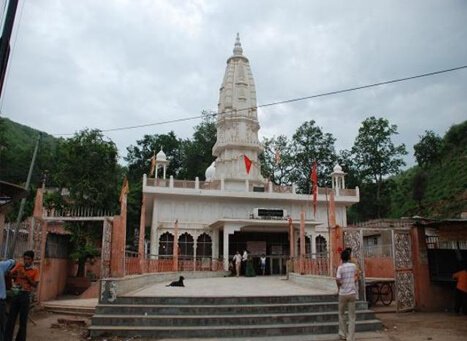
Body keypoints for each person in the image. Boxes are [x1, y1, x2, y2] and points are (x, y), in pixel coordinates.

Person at [5, 250, 40, 341]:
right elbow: (10, 273)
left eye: (28, 259)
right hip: (16, 294)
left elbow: (35, 285)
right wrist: (11, 272)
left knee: (23, 321)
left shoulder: (35, 270)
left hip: (25, 296)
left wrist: (26, 276)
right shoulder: (19, 265)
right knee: (11, 319)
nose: (26, 261)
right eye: (25, 259)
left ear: (32, 260)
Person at [336, 248, 357, 341]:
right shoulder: (353, 266)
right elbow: (356, 276)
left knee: (341, 314)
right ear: (348, 257)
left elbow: (337, 279)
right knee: (352, 316)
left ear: (341, 258)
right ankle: (350, 337)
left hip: (343, 294)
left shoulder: (340, 268)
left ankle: (343, 334)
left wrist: (339, 286)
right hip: (352, 293)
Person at [0, 259, 15, 341]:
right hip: (1, 301)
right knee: (2, 325)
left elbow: (13, 261)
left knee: (2, 325)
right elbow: (13, 261)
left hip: (1, 301)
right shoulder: (2, 265)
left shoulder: (1, 265)